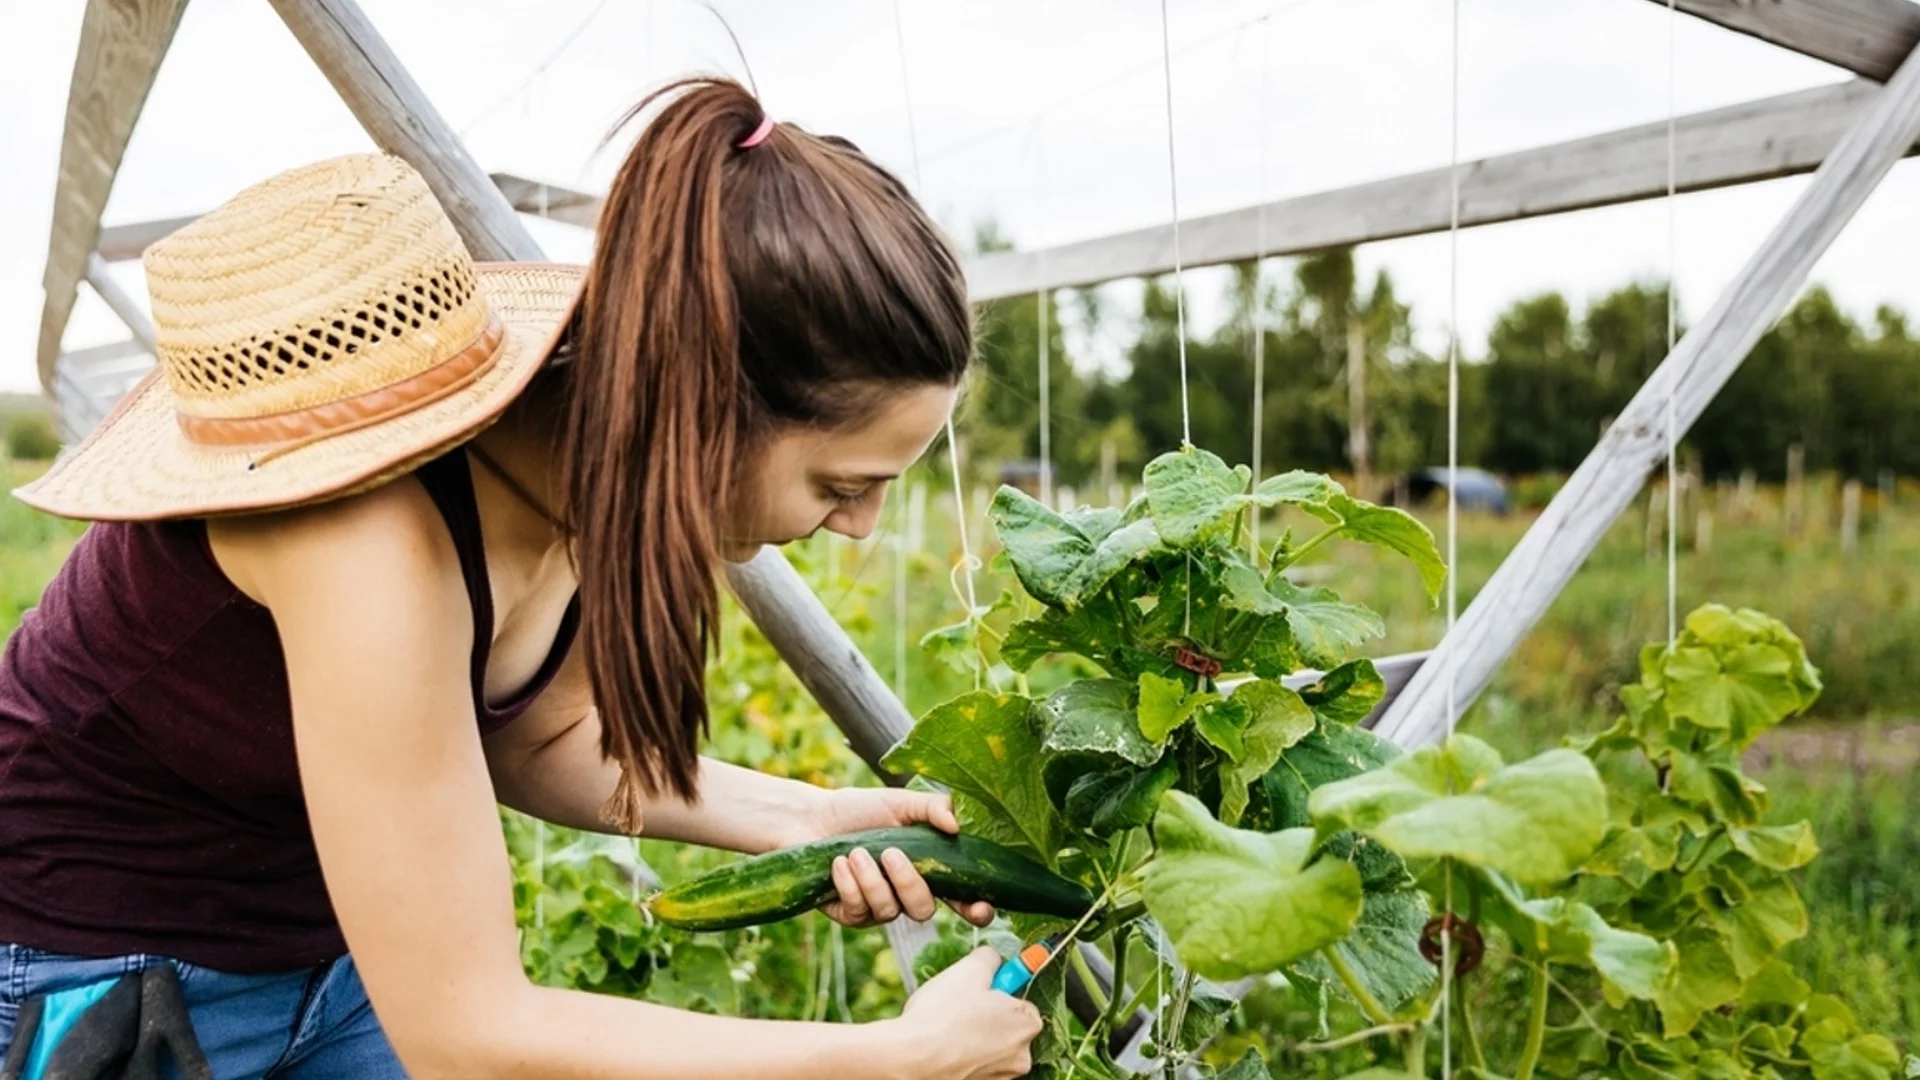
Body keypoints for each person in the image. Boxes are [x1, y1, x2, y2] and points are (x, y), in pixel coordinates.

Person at [0, 78, 1043, 1079]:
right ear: (706, 413)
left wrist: (802, 819)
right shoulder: (375, 546)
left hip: (329, 960)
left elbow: (541, 737)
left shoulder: (575, 473)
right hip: (97, 970)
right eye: (844, 482)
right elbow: (470, 1038)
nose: (861, 527)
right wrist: (891, 1061)